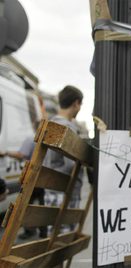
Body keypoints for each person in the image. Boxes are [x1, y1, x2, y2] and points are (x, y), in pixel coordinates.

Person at [44, 85, 84, 230]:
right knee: (64, 242)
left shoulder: (50, 124)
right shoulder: (68, 128)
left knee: (53, 241)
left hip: (50, 192)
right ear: (76, 103)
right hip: (66, 193)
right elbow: (71, 164)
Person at [0, 129, 47, 239]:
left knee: (25, 206)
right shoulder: (47, 139)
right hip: (46, 178)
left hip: (33, 179)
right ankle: (44, 232)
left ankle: (30, 230)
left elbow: (21, 155)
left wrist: (5, 153)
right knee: (43, 205)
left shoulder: (30, 139)